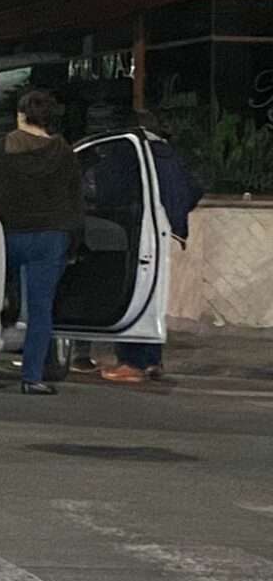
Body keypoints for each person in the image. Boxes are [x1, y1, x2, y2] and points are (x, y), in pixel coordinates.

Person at [0, 89, 85, 396]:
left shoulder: (2, 148)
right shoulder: (64, 152)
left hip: (8, 234)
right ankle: (32, 377)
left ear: (20, 115)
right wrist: (74, 243)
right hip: (50, 236)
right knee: (41, 310)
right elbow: (75, 201)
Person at [101, 110, 204, 384]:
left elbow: (108, 188)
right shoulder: (169, 154)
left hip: (135, 230)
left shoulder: (128, 152)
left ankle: (131, 362)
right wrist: (175, 215)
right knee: (154, 297)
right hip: (167, 233)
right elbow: (195, 188)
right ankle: (152, 360)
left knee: (132, 295)